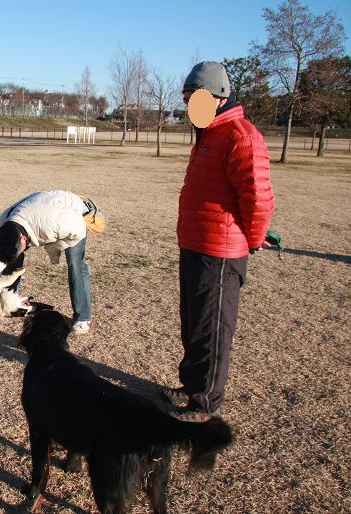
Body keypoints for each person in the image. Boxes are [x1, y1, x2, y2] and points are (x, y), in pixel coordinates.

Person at [165, 61, 275, 422]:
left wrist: (253, 241)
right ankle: (191, 383)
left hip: (221, 251)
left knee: (212, 327)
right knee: (193, 321)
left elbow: (258, 197)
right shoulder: (209, 133)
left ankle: (206, 401)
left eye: (193, 98)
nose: (188, 107)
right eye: (185, 100)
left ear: (218, 97)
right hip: (195, 244)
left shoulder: (240, 135)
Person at [0, 190, 104, 335]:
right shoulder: (2, 227)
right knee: (12, 256)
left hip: (73, 214)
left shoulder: (60, 223)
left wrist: (53, 250)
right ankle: (10, 300)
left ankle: (83, 318)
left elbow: (79, 231)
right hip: (39, 213)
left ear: (22, 238)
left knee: (75, 264)